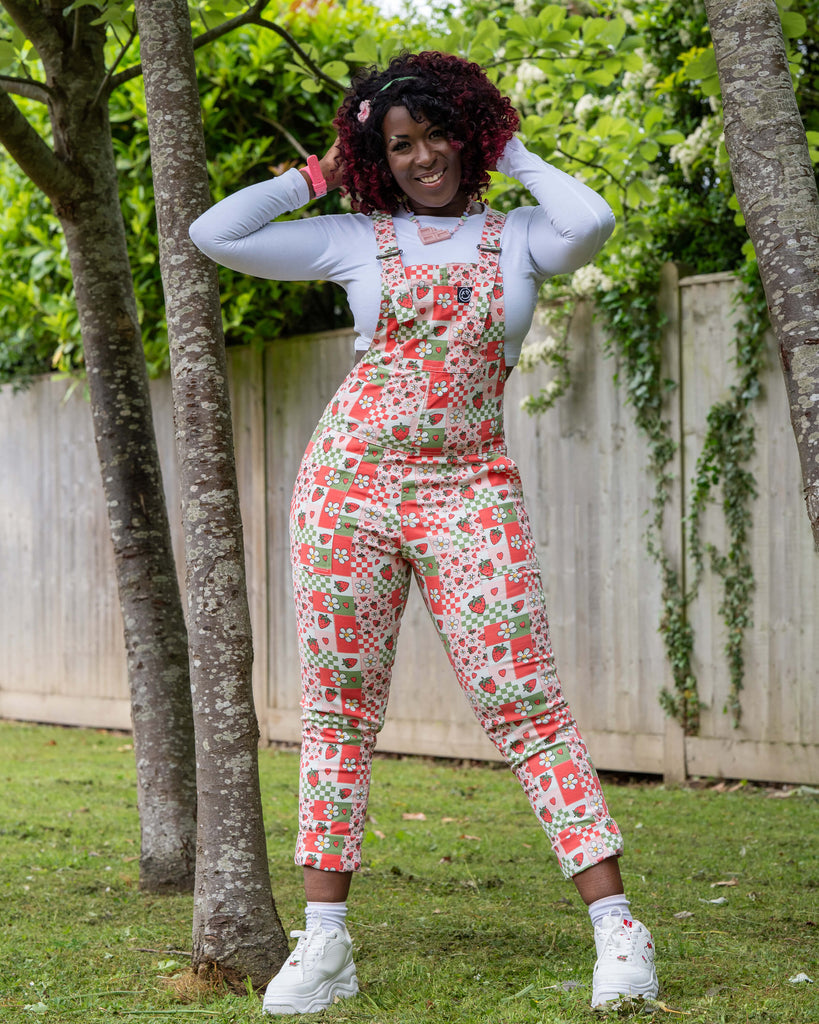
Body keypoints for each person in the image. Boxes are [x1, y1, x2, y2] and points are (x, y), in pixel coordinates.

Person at [189, 50, 659, 1014]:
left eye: (438, 132)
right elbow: (213, 231)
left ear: (469, 130)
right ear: (378, 156)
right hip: (346, 486)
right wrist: (321, 170)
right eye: (398, 144)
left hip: (468, 490)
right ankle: (325, 947)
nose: (421, 157)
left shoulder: (523, 232)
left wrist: (511, 144)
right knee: (338, 712)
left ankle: (619, 932)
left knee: (526, 703)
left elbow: (595, 222)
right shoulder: (354, 237)